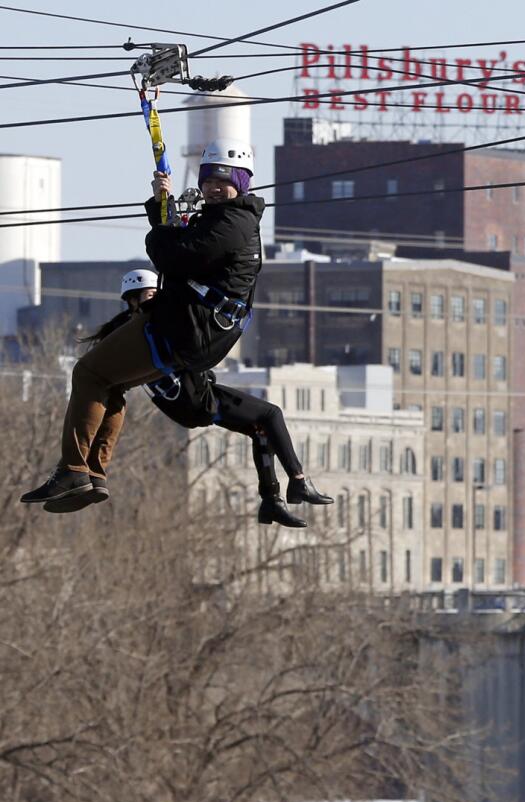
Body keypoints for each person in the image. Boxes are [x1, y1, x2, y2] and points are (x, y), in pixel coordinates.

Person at [20, 138, 265, 510]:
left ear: (242, 183)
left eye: (224, 180)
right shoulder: (224, 220)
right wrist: (160, 206)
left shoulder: (232, 222)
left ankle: (73, 470)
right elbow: (181, 249)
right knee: (109, 384)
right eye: (209, 179)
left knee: (88, 373)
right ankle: (93, 474)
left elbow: (173, 257)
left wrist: (158, 231)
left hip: (183, 327)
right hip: (191, 329)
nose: (214, 187)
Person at [54, 269, 332, 525]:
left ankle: (271, 501)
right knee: (271, 414)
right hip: (197, 398)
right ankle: (298, 480)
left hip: (188, 402)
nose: (155, 300)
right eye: (150, 295)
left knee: (260, 429)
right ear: (133, 300)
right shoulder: (144, 327)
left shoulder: (125, 336)